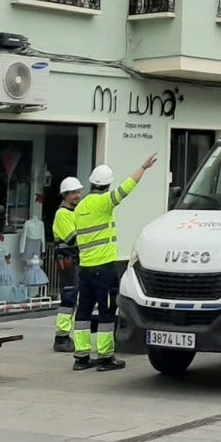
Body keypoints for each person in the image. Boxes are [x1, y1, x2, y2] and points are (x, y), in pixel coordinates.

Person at [71, 154, 157, 372]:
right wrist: (143, 168)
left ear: (91, 182)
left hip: (85, 267)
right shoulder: (103, 203)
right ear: (107, 184)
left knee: (83, 311)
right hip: (105, 267)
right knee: (107, 313)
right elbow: (126, 189)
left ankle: (81, 357)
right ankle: (105, 357)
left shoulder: (80, 206)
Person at [51, 176, 83, 353]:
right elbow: (72, 238)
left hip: (75, 260)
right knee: (69, 297)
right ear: (65, 195)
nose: (77, 195)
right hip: (68, 261)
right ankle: (61, 337)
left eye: (78, 192)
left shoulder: (73, 212)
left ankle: (66, 334)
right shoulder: (63, 214)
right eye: (73, 192)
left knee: (73, 297)